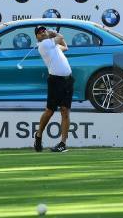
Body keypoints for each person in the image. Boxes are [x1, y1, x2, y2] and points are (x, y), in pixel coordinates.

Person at [33, 25, 73, 153]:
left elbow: (65, 46)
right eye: (39, 32)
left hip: (67, 80)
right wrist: (53, 32)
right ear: (37, 37)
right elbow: (60, 37)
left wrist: (53, 34)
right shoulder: (43, 45)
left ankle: (63, 144)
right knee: (50, 111)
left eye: (43, 30)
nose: (42, 32)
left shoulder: (52, 44)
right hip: (55, 81)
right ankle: (38, 135)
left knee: (65, 111)